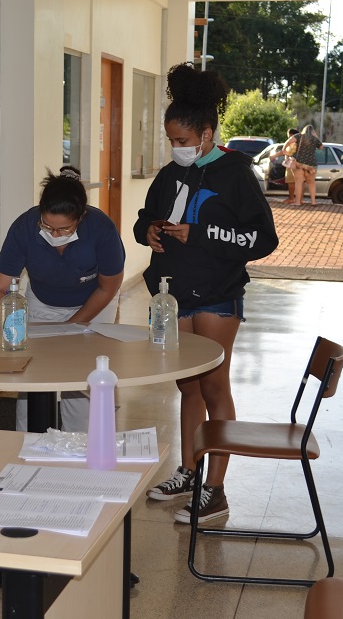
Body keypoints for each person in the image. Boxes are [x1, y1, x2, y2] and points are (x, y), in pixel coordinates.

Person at [133, 63, 278, 524]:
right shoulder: (168, 175)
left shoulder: (236, 173)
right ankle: (190, 471)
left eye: (182, 141)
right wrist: (149, 231)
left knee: (214, 385)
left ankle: (215, 489)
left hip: (217, 294)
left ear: (207, 134)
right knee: (186, 384)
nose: (175, 149)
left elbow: (262, 241)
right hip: (172, 297)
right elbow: (144, 219)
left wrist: (198, 234)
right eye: (170, 141)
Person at [0, 166, 125, 432]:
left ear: (81, 217)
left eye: (64, 229)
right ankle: (28, 446)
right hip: (43, 301)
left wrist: (71, 327)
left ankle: (83, 448)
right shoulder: (24, 228)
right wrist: (11, 326)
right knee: (33, 374)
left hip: (95, 304)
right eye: (47, 226)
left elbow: (107, 288)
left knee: (82, 375)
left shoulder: (101, 230)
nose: (54, 233)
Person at [289, 124, 323, 206]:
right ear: (312, 131)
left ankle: (297, 202)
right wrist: (316, 136)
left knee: (298, 182)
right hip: (311, 163)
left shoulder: (299, 136)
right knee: (311, 183)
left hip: (299, 163)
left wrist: (284, 150)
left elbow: (290, 141)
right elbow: (321, 147)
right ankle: (313, 202)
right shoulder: (314, 139)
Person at [280, 128, 300, 203]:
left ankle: (291, 198)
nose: (288, 137)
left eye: (289, 135)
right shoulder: (300, 141)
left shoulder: (293, 142)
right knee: (299, 182)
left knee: (291, 181)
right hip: (299, 163)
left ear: (291, 135)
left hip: (292, 163)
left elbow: (288, 153)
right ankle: (299, 199)